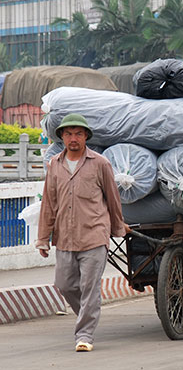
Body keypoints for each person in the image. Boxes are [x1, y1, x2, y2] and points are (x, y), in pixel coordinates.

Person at [36, 113, 130, 352]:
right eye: (68, 134)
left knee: (90, 286)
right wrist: (42, 239)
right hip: (65, 237)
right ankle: (88, 314)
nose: (73, 138)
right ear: (62, 137)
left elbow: (112, 199)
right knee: (65, 284)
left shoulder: (100, 163)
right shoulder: (54, 165)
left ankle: (84, 335)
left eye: (78, 133)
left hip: (94, 235)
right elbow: (48, 203)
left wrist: (118, 227)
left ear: (86, 136)